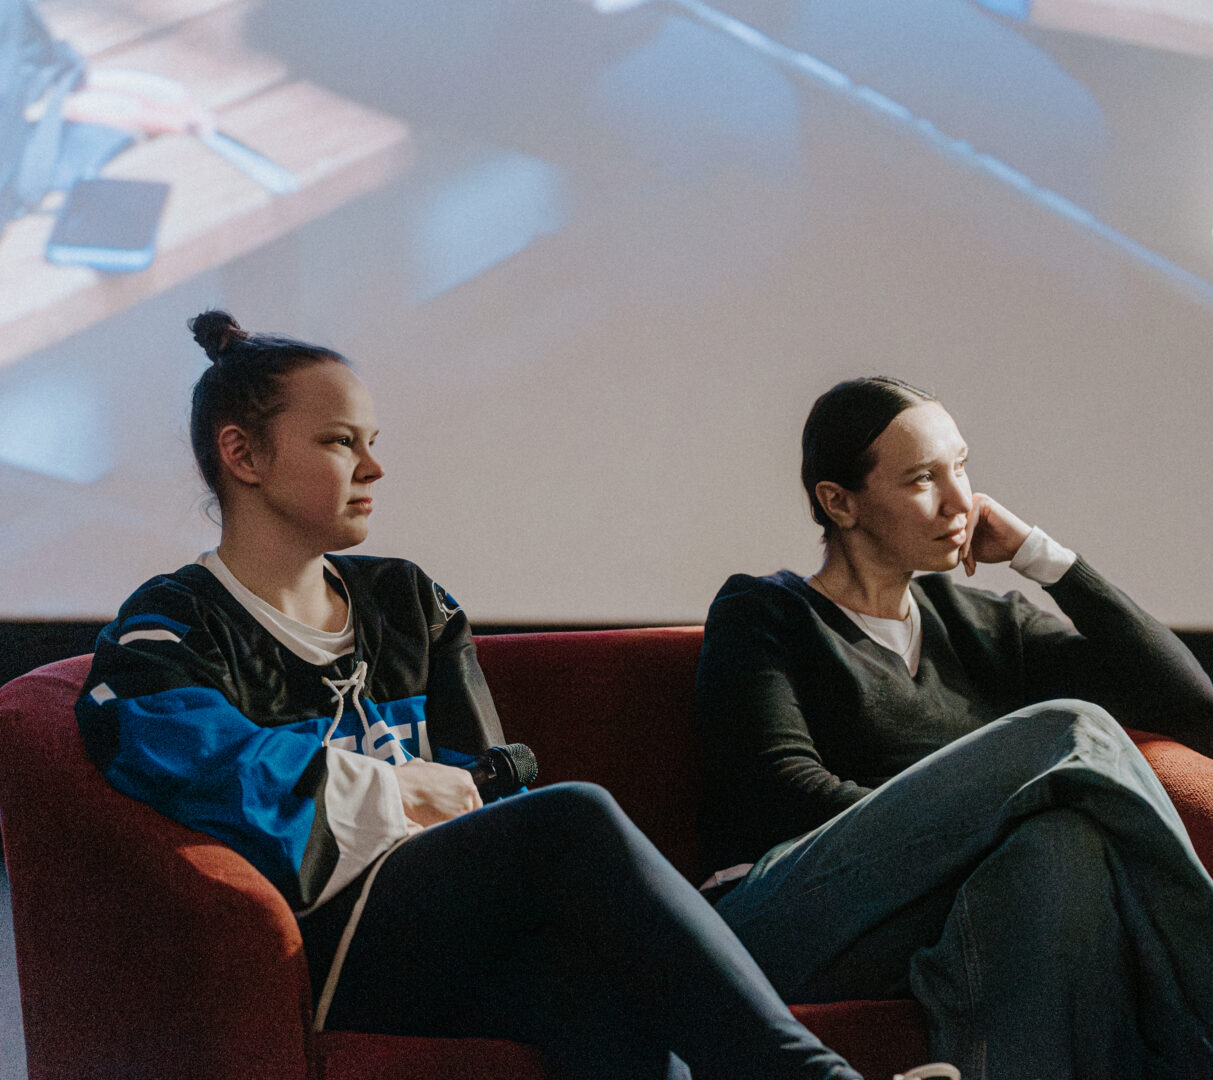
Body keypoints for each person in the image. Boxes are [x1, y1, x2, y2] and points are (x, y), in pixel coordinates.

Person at [75, 317, 957, 1080]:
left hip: (446, 929)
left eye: (373, 440)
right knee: (570, 816)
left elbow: (482, 789)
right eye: (341, 442)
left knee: (604, 990)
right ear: (242, 455)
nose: (374, 467)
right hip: (325, 944)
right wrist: (398, 790)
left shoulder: (409, 602)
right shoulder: (169, 628)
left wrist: (434, 803)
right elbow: (198, 765)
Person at [694, 376, 1213, 1080]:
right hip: (785, 919)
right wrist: (978, 821)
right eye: (922, 479)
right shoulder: (764, 612)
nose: (960, 501)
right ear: (839, 502)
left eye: (960, 468)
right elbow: (783, 795)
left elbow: (1183, 696)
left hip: (930, 920)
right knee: (1071, 729)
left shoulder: (986, 625)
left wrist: (1039, 555)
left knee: (1063, 846)